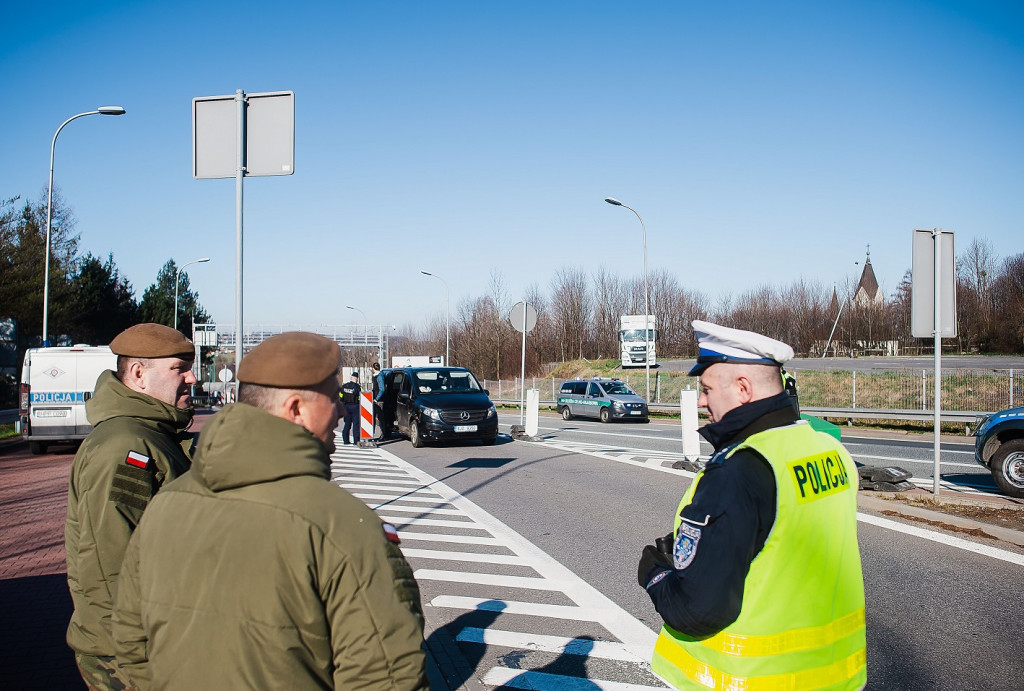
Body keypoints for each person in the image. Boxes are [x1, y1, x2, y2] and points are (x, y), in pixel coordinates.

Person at [113, 332, 427, 690]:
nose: (342, 409)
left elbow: (130, 645)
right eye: (332, 396)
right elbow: (387, 678)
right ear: (295, 409)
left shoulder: (164, 508)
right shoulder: (343, 530)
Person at [638, 320, 866, 690]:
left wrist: (655, 574)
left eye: (707, 388)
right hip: (837, 677)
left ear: (742, 389)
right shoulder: (830, 450)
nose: (701, 400)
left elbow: (698, 609)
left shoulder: (738, 471)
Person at [65, 323, 197, 689]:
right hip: (129, 655)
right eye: (179, 368)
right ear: (139, 374)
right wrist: (140, 660)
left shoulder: (153, 436)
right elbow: (111, 565)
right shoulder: (126, 446)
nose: (191, 378)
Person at [339, 370, 362, 444]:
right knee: (356, 424)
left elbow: (340, 396)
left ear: (351, 378)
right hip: (355, 407)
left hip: (346, 406)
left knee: (347, 424)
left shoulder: (344, 386)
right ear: (357, 379)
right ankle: (356, 441)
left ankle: (345, 440)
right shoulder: (358, 387)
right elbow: (362, 397)